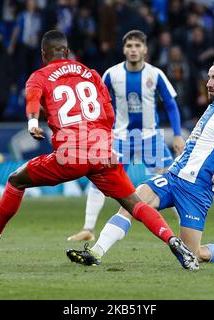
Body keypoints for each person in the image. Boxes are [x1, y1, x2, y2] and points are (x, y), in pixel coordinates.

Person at [0, 30, 199, 270]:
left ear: (43, 54)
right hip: (102, 151)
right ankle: (172, 240)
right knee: (135, 203)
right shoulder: (91, 73)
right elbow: (108, 114)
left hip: (71, 155)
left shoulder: (40, 75)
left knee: (16, 180)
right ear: (66, 51)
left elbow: (33, 100)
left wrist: (33, 124)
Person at [67, 59, 214, 267]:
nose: (209, 83)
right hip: (172, 177)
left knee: (196, 254)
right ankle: (95, 253)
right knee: (130, 205)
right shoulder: (213, 107)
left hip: (197, 189)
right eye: (209, 77)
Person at [67, 30, 185, 242]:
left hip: (151, 139)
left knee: (172, 182)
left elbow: (170, 104)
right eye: (129, 46)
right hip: (120, 139)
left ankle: (186, 231)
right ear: (123, 49)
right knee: (100, 179)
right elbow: (99, 106)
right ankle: (88, 229)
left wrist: (177, 135)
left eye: (137, 46)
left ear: (145, 49)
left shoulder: (155, 74)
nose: (133, 50)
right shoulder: (112, 74)